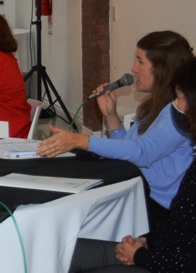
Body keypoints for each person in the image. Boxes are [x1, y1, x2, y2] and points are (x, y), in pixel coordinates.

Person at [37, 31, 194, 225]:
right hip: (140, 193)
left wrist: (81, 140)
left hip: (159, 210)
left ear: (162, 68)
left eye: (140, 61)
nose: (134, 69)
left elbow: (142, 153)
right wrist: (111, 116)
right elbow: (129, 150)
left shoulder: (179, 111)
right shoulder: (156, 104)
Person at [67, 57, 196, 273]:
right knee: (64, 252)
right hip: (160, 248)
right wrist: (146, 241)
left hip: (162, 259)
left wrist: (139, 255)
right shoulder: (156, 110)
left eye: (181, 98)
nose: (177, 105)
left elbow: (141, 153)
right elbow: (179, 229)